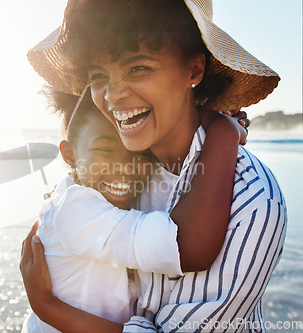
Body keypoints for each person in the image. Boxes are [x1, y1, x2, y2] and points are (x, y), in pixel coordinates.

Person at [20, 0, 287, 332]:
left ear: (194, 70)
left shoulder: (253, 202)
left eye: (138, 67)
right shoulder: (121, 171)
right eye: (99, 75)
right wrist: (219, 126)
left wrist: (47, 307)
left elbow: (187, 246)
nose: (114, 94)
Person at [22, 87, 248, 332]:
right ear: (69, 154)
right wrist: (223, 132)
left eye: (137, 154)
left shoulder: (83, 198)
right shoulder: (76, 210)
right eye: (105, 150)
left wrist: (202, 117)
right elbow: (187, 247)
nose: (125, 167)